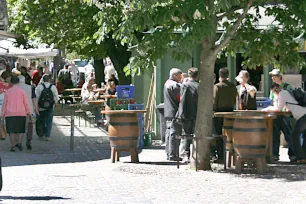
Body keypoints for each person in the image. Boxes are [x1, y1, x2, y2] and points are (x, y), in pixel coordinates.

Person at [262, 84, 306, 163]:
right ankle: (302, 156)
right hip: (303, 115)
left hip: (303, 116)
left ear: (279, 88)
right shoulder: (285, 93)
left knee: (294, 136)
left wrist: (267, 109)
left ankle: (301, 157)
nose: (276, 92)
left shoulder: (282, 93)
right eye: (274, 91)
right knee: (302, 136)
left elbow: (278, 108)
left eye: (276, 90)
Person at [269, 68, 295, 161]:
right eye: (272, 76)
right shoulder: (272, 88)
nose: (272, 78)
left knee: (288, 134)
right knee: (275, 135)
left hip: (285, 114)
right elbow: (272, 101)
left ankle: (293, 155)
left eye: (274, 76)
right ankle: (275, 154)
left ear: (279, 76)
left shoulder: (287, 87)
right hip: (276, 114)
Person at [1, 75, 32, 151]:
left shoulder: (8, 92)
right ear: (18, 82)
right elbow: (26, 103)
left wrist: (2, 114)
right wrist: (29, 112)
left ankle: (13, 146)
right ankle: (20, 142)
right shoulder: (22, 92)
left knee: (11, 131)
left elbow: (5, 104)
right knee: (21, 129)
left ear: (11, 82)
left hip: (10, 113)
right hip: (21, 112)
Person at [213, 68, 237, 160]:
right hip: (230, 110)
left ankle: (220, 154)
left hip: (219, 111)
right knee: (230, 133)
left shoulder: (217, 86)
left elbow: (214, 100)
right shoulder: (232, 86)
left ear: (220, 76)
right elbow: (234, 98)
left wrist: (213, 109)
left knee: (219, 133)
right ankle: (230, 152)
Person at [176, 67, 199, 163]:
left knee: (186, 135)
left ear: (189, 75)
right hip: (196, 113)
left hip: (186, 113)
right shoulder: (198, 86)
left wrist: (180, 114)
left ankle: (186, 155)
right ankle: (196, 155)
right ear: (197, 76)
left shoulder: (185, 85)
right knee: (196, 135)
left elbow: (183, 100)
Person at [164, 68, 182, 161]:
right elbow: (180, 99)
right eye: (179, 76)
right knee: (174, 133)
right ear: (174, 76)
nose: (181, 78)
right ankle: (173, 154)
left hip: (168, 111)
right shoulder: (175, 86)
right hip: (175, 111)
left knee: (168, 133)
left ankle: (168, 152)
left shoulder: (167, 83)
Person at [35, 74, 59, 141]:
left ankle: (41, 134)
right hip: (50, 107)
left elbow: (36, 98)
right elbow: (56, 97)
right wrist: (55, 103)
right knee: (49, 121)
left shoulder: (39, 87)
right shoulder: (53, 87)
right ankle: (47, 135)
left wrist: (35, 107)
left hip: (41, 107)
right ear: (49, 79)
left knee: (41, 121)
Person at [18, 75, 39, 150]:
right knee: (29, 126)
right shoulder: (30, 88)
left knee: (20, 126)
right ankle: (28, 141)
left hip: (18, 110)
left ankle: (19, 141)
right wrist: (36, 109)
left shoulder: (14, 88)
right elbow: (34, 100)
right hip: (29, 110)